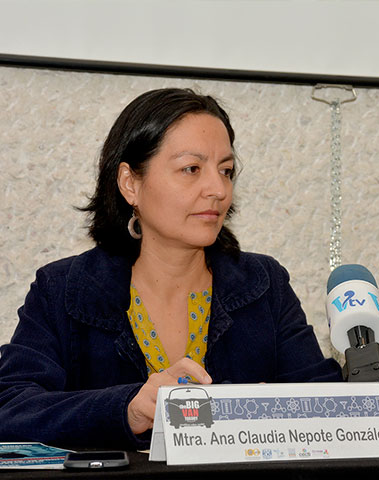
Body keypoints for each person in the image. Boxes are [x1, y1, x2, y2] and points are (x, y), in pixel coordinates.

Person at [0, 88, 342, 448]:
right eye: (191, 169)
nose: (218, 189)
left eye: (226, 170)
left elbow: (327, 407)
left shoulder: (263, 283)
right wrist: (127, 409)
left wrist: (257, 408)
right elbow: (10, 409)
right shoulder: (64, 289)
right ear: (130, 183)